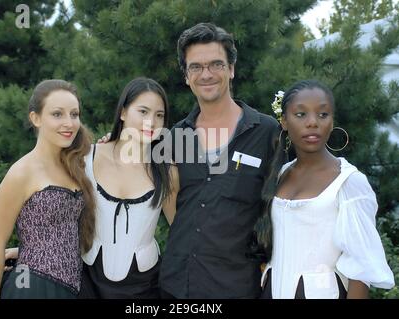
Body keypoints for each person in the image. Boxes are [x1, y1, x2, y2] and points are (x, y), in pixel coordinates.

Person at [158, 23, 279, 298]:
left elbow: (280, 207)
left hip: (238, 287)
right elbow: (169, 204)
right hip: (178, 287)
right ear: (186, 76)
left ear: (231, 69)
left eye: (216, 64)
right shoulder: (175, 138)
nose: (207, 74)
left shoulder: (266, 132)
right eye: (196, 67)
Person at [257, 79, 395, 299]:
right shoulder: (280, 174)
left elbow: (361, 269)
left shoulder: (349, 182)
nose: (313, 123)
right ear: (284, 121)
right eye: (301, 114)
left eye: (323, 115)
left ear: (332, 122)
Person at [0, 79, 96, 299]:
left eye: (74, 114)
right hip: (33, 287)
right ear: (36, 118)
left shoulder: (75, 165)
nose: (69, 123)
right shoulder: (21, 173)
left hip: (74, 287)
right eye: (57, 114)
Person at [79, 77, 179, 298]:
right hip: (86, 281)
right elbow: (60, 218)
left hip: (145, 287)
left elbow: (180, 230)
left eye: (159, 115)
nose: (151, 122)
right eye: (143, 111)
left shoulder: (166, 170)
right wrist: (27, 251)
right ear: (123, 112)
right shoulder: (87, 158)